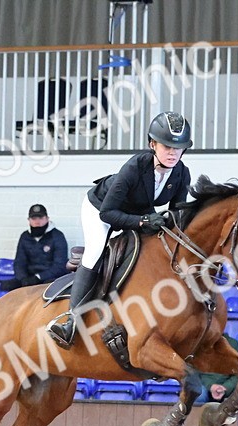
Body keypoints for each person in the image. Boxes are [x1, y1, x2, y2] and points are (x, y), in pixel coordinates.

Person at [46, 111, 194, 349]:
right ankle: (70, 322)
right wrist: (144, 222)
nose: (172, 152)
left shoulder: (181, 173)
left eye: (178, 148)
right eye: (166, 146)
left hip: (135, 214)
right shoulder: (135, 167)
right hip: (100, 210)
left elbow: (177, 214)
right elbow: (107, 213)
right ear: (152, 144)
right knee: (95, 253)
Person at [0, 203, 69, 292]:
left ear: (47, 219)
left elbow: (60, 266)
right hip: (29, 278)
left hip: (50, 278)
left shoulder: (57, 236)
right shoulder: (25, 236)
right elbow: (19, 262)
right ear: (29, 220)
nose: (37, 221)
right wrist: (23, 279)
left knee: (49, 288)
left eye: (41, 218)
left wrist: (38, 277)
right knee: (6, 286)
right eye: (34, 218)